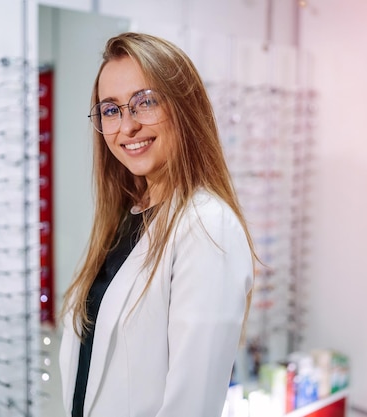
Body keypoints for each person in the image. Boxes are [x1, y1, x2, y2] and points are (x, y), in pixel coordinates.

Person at [59, 32, 257, 417]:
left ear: (184, 108)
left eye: (145, 102)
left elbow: (192, 406)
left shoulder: (207, 227)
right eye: (111, 109)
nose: (127, 126)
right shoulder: (126, 219)